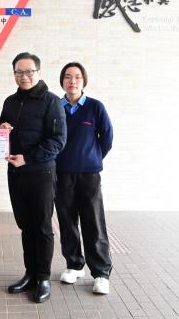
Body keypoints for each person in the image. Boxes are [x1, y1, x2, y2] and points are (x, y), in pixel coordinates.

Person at [0, 52, 67, 303]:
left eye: (29, 71)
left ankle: (44, 277)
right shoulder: (10, 101)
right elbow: (2, 134)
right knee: (25, 225)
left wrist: (27, 158)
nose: (24, 76)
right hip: (16, 173)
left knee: (42, 226)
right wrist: (1, 129)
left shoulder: (51, 102)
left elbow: (58, 140)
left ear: (38, 72)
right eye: (19, 72)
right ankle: (30, 273)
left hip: (41, 173)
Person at [54, 62, 113, 295]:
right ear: (62, 81)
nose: (72, 81)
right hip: (61, 173)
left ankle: (101, 273)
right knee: (67, 220)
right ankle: (74, 265)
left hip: (89, 174)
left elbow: (106, 138)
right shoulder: (55, 107)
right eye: (68, 77)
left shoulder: (95, 107)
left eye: (77, 77)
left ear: (83, 80)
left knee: (93, 222)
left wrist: (93, 157)